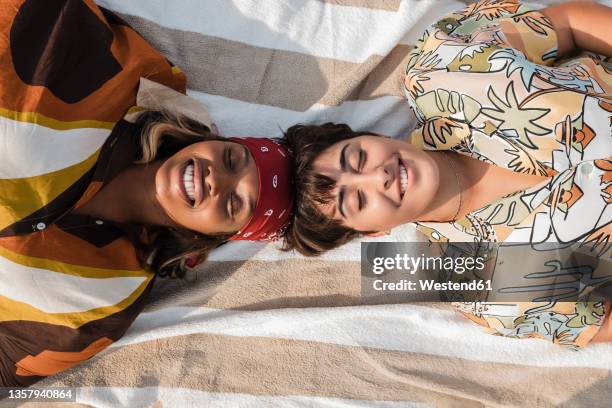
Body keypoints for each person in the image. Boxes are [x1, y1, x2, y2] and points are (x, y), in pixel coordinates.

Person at [280, 0, 612, 349]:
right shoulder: (481, 286)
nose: (379, 177)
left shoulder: (438, 69)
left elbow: (568, 24)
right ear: (374, 231)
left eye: (359, 157)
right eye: (358, 199)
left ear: (370, 137)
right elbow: (599, 322)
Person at [0, 0, 292, 386]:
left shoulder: (108, 300)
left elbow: (9, 367)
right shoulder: (116, 82)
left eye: (234, 203)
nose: (216, 179)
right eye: (233, 159)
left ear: (207, 242)